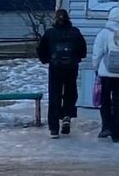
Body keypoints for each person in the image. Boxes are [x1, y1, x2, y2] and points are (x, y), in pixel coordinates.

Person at [36, 8, 88, 139]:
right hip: (71, 67)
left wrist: (47, 60)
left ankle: (54, 128)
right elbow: (83, 51)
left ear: (55, 19)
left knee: (55, 95)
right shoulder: (75, 32)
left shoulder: (50, 33)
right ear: (68, 18)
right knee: (70, 93)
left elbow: (41, 50)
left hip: (55, 68)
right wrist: (77, 59)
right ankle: (67, 115)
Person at [92, 6, 119, 142]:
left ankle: (106, 127)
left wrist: (96, 67)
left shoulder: (103, 34)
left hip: (105, 73)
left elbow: (97, 53)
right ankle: (117, 133)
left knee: (105, 101)